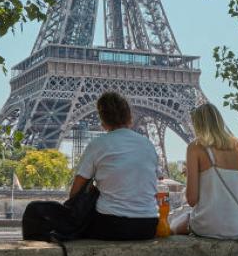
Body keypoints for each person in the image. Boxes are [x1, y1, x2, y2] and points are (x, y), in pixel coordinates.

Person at [21, 92, 159, 241]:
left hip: (112, 226)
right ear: (129, 117)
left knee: (33, 210)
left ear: (103, 120)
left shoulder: (99, 144)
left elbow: (75, 193)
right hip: (148, 226)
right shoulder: (148, 145)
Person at [170, 103, 238, 239]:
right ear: (220, 121)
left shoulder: (196, 147)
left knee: (173, 224)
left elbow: (191, 200)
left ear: (197, 125)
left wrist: (191, 176)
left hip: (209, 226)